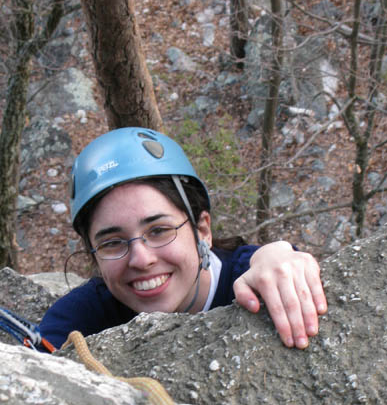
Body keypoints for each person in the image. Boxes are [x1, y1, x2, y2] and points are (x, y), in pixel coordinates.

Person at [40, 127, 327, 350]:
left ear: (202, 229)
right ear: (94, 256)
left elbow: (279, 272)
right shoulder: (79, 320)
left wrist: (282, 257)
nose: (141, 259)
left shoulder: (251, 281)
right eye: (112, 242)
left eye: (158, 231)